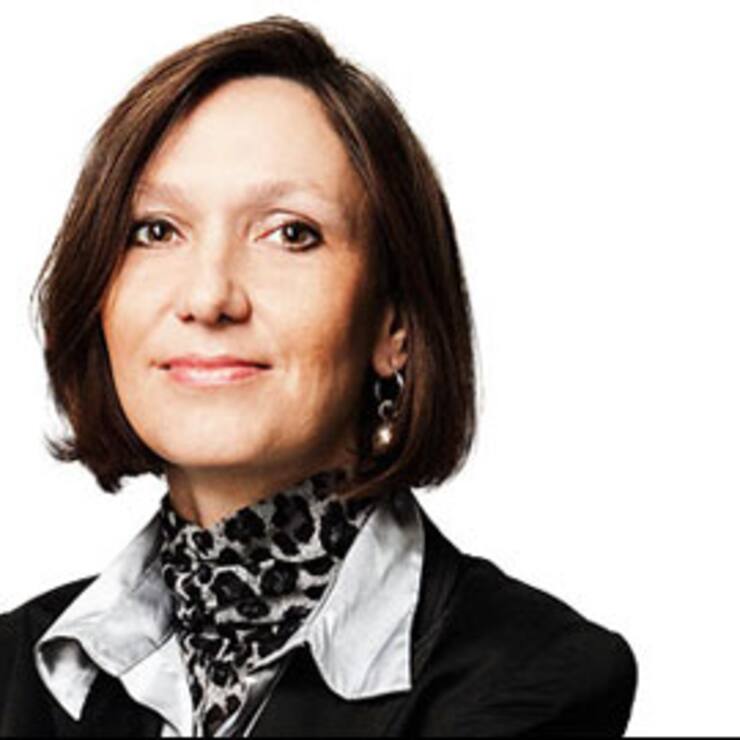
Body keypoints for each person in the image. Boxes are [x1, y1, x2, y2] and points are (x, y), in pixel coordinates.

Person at [0, 15, 637, 737]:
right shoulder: (16, 668)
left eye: (289, 233)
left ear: (393, 325)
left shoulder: (533, 676)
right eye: (156, 230)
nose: (208, 296)